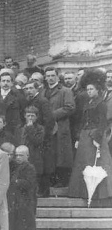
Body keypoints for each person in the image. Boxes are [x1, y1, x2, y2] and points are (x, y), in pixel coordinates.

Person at [67, 78, 112, 206]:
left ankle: (100, 194)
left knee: (96, 162)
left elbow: (103, 122)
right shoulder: (87, 102)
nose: (89, 91)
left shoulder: (101, 103)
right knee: (83, 162)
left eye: (92, 89)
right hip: (85, 135)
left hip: (94, 135)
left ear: (98, 90)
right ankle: (83, 192)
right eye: (88, 90)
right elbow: (82, 121)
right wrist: (77, 137)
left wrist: (97, 138)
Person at [44, 66, 75, 189]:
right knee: (50, 154)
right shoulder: (43, 91)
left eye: (53, 75)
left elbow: (70, 107)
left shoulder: (65, 91)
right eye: (48, 76)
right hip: (47, 128)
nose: (50, 78)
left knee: (61, 154)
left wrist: (52, 115)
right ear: (45, 78)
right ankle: (52, 179)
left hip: (61, 127)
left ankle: (62, 180)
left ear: (57, 76)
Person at [8, 145, 38, 230]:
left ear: (27, 156)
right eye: (16, 155)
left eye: (21, 155)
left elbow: (29, 183)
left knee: (27, 225)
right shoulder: (16, 167)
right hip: (16, 201)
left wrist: (16, 181)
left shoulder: (29, 168)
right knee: (16, 223)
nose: (18, 157)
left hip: (26, 201)